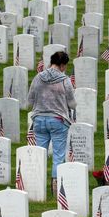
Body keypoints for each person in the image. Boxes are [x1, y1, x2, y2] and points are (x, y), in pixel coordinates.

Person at [27, 51, 77, 195]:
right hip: (58, 119)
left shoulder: (38, 77)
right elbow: (72, 104)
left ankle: (37, 185)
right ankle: (56, 187)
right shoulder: (64, 80)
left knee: (39, 154)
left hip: (39, 119)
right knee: (58, 154)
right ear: (62, 65)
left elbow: (30, 100)